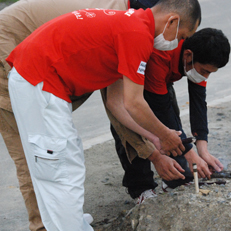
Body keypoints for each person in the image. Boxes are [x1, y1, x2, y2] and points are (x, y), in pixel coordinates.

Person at [5, 0, 201, 230]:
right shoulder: (138, 35)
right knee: (60, 167)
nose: (176, 44)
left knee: (61, 160)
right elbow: (135, 103)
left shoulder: (131, 23)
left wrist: (156, 139)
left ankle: (69, 222)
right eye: (181, 36)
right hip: (40, 81)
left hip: (35, 78)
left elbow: (117, 103)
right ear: (172, 21)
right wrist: (166, 134)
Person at [107, 28, 231, 203]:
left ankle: (175, 178)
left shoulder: (197, 59)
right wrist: (190, 154)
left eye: (210, 72)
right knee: (132, 127)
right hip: (135, 81)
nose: (205, 76)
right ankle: (141, 187)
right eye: (204, 71)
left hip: (162, 84)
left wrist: (202, 150)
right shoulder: (161, 55)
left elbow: (198, 104)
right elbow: (161, 109)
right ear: (188, 56)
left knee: (173, 126)